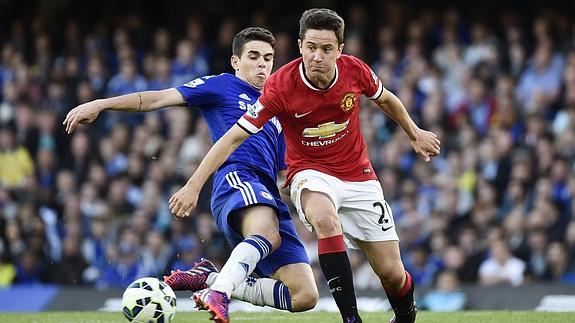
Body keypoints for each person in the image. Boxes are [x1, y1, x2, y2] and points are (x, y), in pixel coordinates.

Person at [168, 9, 441, 323]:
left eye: (326, 49)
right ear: (300, 46)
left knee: (392, 273)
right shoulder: (281, 86)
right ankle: (351, 319)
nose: (317, 57)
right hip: (309, 173)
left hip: (359, 176)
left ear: (339, 50)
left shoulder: (355, 71)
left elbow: (386, 99)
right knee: (325, 220)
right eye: (311, 47)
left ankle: (406, 315)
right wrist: (193, 184)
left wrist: (414, 132)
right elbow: (232, 138)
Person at [63, 27, 318, 323]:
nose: (262, 64)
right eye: (253, 56)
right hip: (238, 178)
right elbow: (157, 99)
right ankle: (219, 293)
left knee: (304, 295)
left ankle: (210, 279)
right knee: (267, 234)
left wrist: (309, 200)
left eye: (268, 58)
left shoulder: (275, 108)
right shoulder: (221, 85)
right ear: (235, 61)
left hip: (268, 194)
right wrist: (102, 104)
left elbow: (284, 175)